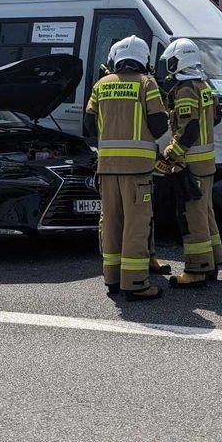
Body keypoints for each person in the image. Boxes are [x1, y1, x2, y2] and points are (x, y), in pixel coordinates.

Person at [84, 36, 170, 301]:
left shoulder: (101, 85)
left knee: (110, 222)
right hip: (137, 171)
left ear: (115, 58)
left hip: (107, 169)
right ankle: (135, 283)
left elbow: (87, 128)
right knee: (136, 224)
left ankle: (112, 278)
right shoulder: (147, 84)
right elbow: (159, 126)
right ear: (143, 59)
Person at [159, 38, 222, 288]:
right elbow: (214, 118)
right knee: (206, 213)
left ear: (179, 61)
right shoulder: (204, 85)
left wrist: (172, 153)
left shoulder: (186, 89)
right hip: (207, 163)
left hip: (192, 164)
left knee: (191, 216)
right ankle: (213, 262)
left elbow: (189, 128)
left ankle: (196, 269)